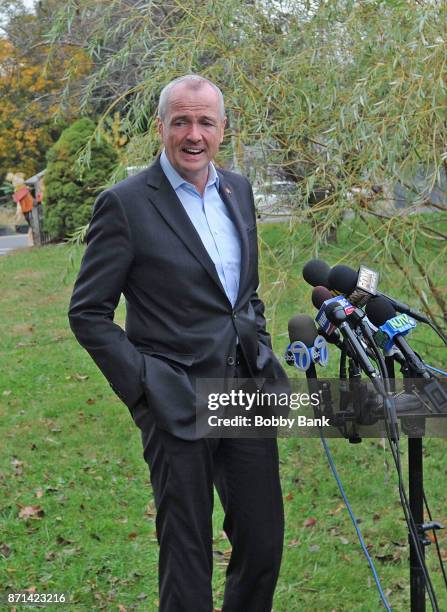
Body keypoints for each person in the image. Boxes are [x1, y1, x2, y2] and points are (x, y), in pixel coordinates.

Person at [68, 74, 290, 612]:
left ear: (222, 129)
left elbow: (243, 293)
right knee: (188, 551)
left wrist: (258, 342)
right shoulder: (125, 204)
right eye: (181, 121)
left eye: (206, 122)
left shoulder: (237, 189)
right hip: (175, 397)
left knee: (262, 543)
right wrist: (145, 386)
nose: (194, 134)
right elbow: (88, 312)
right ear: (160, 127)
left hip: (244, 390)